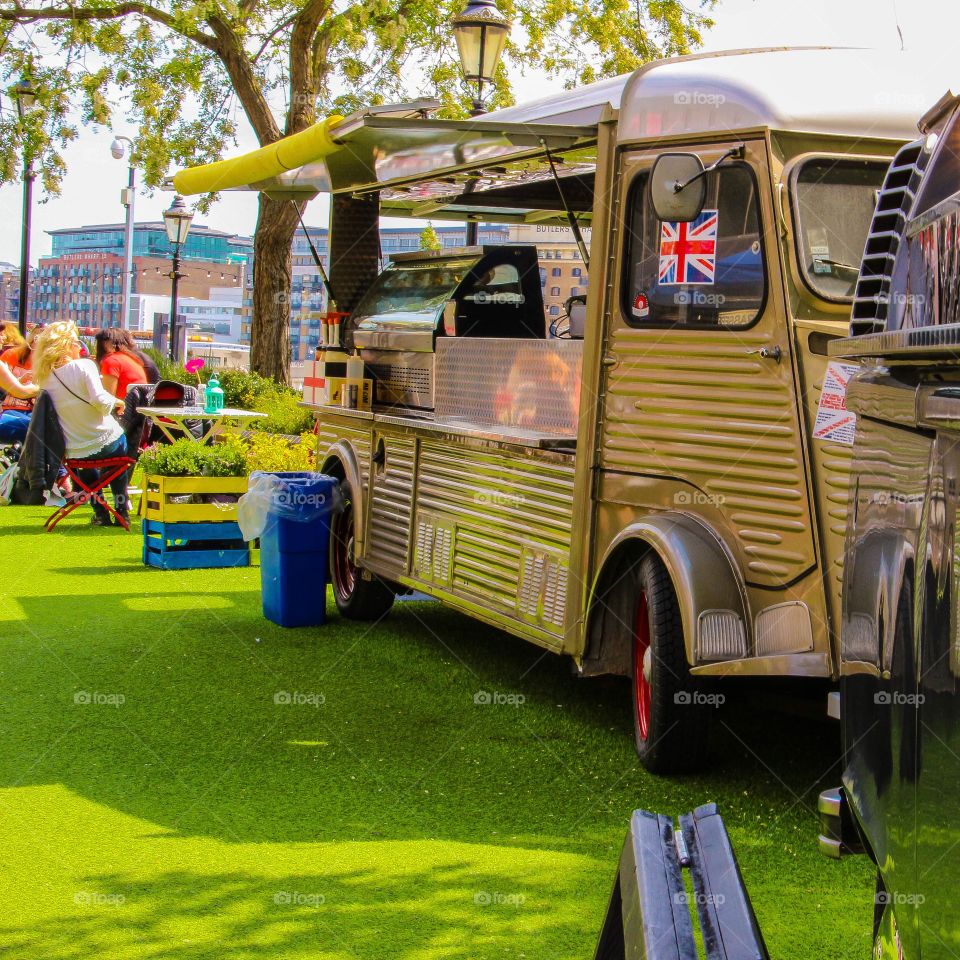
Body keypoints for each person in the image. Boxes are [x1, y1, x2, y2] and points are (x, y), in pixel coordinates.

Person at [35, 322, 129, 526]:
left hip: (73, 450)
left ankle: (101, 512)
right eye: (77, 342)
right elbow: (100, 402)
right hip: (106, 442)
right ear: (68, 345)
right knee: (118, 449)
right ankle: (122, 510)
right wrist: (118, 401)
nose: (80, 346)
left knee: (87, 463)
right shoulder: (85, 365)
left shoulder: (44, 377)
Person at [0, 326, 35, 443]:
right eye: (0, 334)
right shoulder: (8, 358)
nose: (3, 338)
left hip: (28, 410)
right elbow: (20, 391)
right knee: (39, 431)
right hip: (9, 411)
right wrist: (42, 387)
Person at [94, 328, 150, 400]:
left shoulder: (111, 361)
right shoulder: (132, 358)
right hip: (136, 406)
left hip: (123, 408)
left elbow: (108, 398)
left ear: (105, 344)